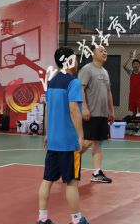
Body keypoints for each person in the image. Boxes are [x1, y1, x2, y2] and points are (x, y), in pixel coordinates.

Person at [36, 47, 88, 224]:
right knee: (71, 182)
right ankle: (76, 219)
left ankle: (42, 218)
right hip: (68, 143)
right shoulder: (73, 83)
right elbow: (74, 110)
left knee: (47, 180)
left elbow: (48, 110)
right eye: (75, 58)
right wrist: (80, 136)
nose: (77, 61)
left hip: (53, 141)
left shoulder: (51, 82)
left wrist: (47, 134)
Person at [79, 45, 115, 183]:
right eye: (101, 51)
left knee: (98, 143)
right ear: (93, 54)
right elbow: (80, 89)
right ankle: (68, 161)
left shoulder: (105, 72)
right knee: (87, 142)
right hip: (91, 113)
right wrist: (84, 108)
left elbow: (108, 92)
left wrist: (111, 111)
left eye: (105, 51)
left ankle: (96, 172)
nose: (104, 52)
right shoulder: (87, 69)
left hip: (102, 114)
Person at [122, 50, 140, 117]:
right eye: (134, 64)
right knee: (134, 113)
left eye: (137, 64)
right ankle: (134, 123)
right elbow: (124, 66)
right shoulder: (131, 72)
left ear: (139, 65)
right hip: (132, 96)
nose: (135, 65)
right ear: (132, 66)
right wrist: (129, 58)